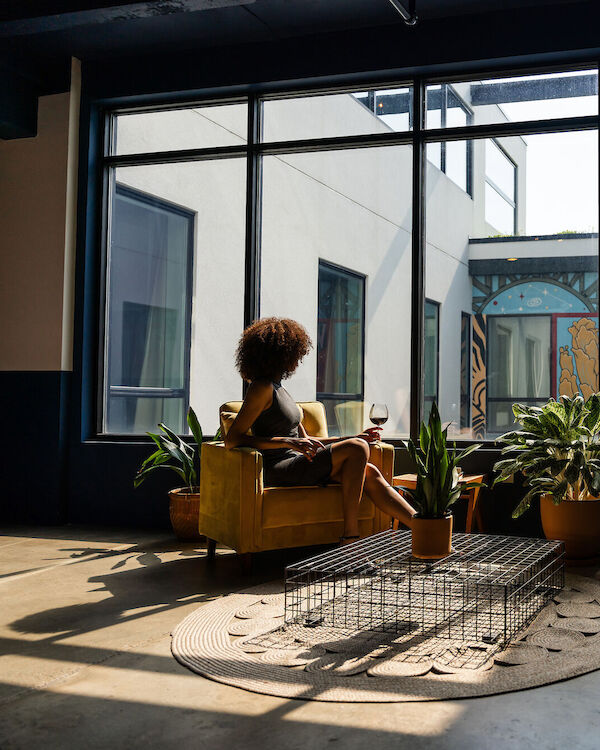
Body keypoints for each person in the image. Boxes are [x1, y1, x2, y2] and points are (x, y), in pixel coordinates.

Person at [225, 317, 415, 542]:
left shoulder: (281, 390)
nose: (298, 359)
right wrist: (286, 442)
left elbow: (310, 440)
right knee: (357, 449)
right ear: (282, 354)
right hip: (279, 467)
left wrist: (354, 437)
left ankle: (424, 528)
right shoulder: (261, 387)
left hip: (301, 461)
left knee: (370, 471)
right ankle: (350, 538)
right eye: (296, 353)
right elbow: (232, 439)